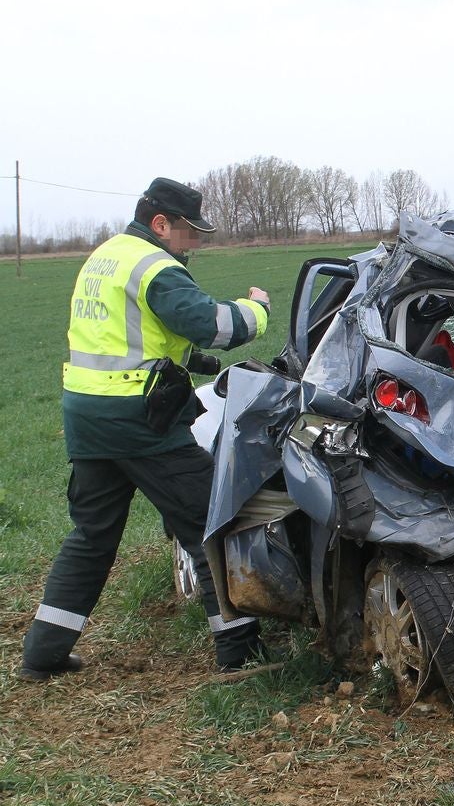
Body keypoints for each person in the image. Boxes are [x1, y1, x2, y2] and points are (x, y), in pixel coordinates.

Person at [20, 178, 271, 682]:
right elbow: (213, 324)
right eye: (190, 233)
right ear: (162, 224)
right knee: (210, 522)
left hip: (87, 416)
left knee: (91, 535)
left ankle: (43, 655)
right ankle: (239, 653)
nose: (194, 244)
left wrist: (189, 362)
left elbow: (128, 332)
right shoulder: (154, 264)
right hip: (139, 420)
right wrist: (258, 309)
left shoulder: (106, 256)